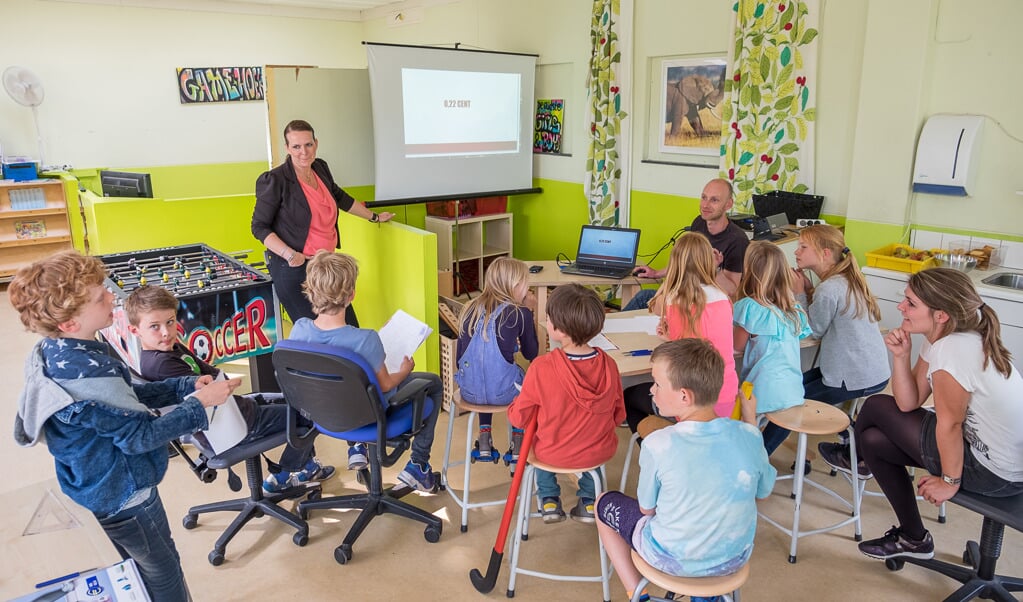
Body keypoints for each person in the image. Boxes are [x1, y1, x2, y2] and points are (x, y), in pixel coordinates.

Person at [11, 251, 241, 602]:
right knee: (163, 573)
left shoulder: (58, 350)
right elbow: (140, 435)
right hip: (125, 496)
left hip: (95, 482)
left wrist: (181, 386)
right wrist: (200, 404)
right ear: (71, 321)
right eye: (98, 296)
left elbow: (125, 395)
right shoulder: (89, 375)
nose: (111, 296)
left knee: (135, 569)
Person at [833, 268, 1023, 561]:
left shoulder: (953, 351)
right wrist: (900, 356)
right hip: (986, 449)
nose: (900, 307)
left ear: (941, 315)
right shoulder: (943, 336)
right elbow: (910, 402)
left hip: (997, 472)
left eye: (910, 303)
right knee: (872, 441)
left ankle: (855, 459)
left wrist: (949, 482)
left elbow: (950, 424)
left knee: (873, 407)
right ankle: (912, 536)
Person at [596, 339, 776, 602]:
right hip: (732, 559)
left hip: (670, 558)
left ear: (684, 396)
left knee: (603, 503)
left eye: (657, 384)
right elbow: (763, 494)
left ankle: (638, 594)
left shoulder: (659, 443)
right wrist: (750, 419)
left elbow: (647, 509)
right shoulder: (748, 436)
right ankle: (706, 597)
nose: (652, 392)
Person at [124, 285, 335, 493]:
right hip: (234, 425)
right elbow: (211, 396)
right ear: (135, 330)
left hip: (238, 410)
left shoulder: (170, 347)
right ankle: (284, 476)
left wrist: (220, 383)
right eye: (154, 326)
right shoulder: (162, 364)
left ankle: (307, 467)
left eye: (170, 322)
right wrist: (220, 384)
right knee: (311, 413)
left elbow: (212, 374)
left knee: (298, 401)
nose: (166, 332)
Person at [288, 250, 444, 492]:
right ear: (351, 295)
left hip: (323, 416)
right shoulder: (365, 340)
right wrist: (405, 370)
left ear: (310, 291)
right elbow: (385, 385)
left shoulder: (299, 330)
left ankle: (360, 449)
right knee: (432, 383)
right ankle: (418, 464)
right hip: (370, 416)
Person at [251, 119, 395, 325]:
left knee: (348, 328)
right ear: (287, 148)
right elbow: (259, 227)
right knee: (316, 338)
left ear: (315, 144)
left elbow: (339, 197)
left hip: (326, 266)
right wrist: (290, 254)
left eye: (308, 144)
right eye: (296, 146)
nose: (304, 152)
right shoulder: (275, 180)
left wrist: (374, 217)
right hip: (294, 269)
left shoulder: (320, 168)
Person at [507, 283, 625, 523]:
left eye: (548, 318)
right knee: (573, 443)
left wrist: (513, 406)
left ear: (557, 329)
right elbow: (619, 416)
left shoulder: (541, 368)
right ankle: (590, 502)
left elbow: (519, 418)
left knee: (537, 442)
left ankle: (549, 499)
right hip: (597, 452)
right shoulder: (610, 365)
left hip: (552, 453)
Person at [781, 224, 890, 472]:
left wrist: (799, 294)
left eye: (803, 247)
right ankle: (850, 434)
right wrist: (809, 292)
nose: (796, 252)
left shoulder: (829, 288)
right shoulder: (845, 280)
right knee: (794, 385)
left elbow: (811, 329)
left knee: (787, 400)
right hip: (870, 371)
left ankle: (761, 456)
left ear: (825, 253)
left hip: (852, 376)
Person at [623, 232, 738, 436]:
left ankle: (661, 451)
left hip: (691, 401)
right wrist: (672, 338)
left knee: (629, 397)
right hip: (726, 396)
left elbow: (679, 352)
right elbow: (699, 344)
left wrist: (670, 338)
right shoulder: (723, 297)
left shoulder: (675, 300)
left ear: (675, 263)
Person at [454, 257, 539, 468]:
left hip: (468, 392)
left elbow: (460, 359)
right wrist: (530, 312)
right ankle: (518, 440)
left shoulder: (469, 308)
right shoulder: (520, 313)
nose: (528, 289)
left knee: (484, 373)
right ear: (515, 286)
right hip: (504, 394)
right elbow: (532, 353)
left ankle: (484, 438)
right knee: (526, 381)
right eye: (526, 284)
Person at [732, 241, 811, 449]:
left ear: (749, 271)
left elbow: (737, 347)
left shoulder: (749, 307)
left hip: (760, 394)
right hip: (793, 392)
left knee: (733, 422)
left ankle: (743, 463)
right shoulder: (794, 309)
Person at [627, 178, 750, 307]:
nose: (705, 205)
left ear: (728, 204)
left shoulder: (737, 241)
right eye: (704, 197)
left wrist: (713, 268)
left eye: (714, 200)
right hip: (689, 295)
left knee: (646, 300)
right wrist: (657, 273)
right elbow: (685, 262)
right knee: (644, 297)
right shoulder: (699, 223)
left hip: (709, 304)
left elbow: (732, 290)